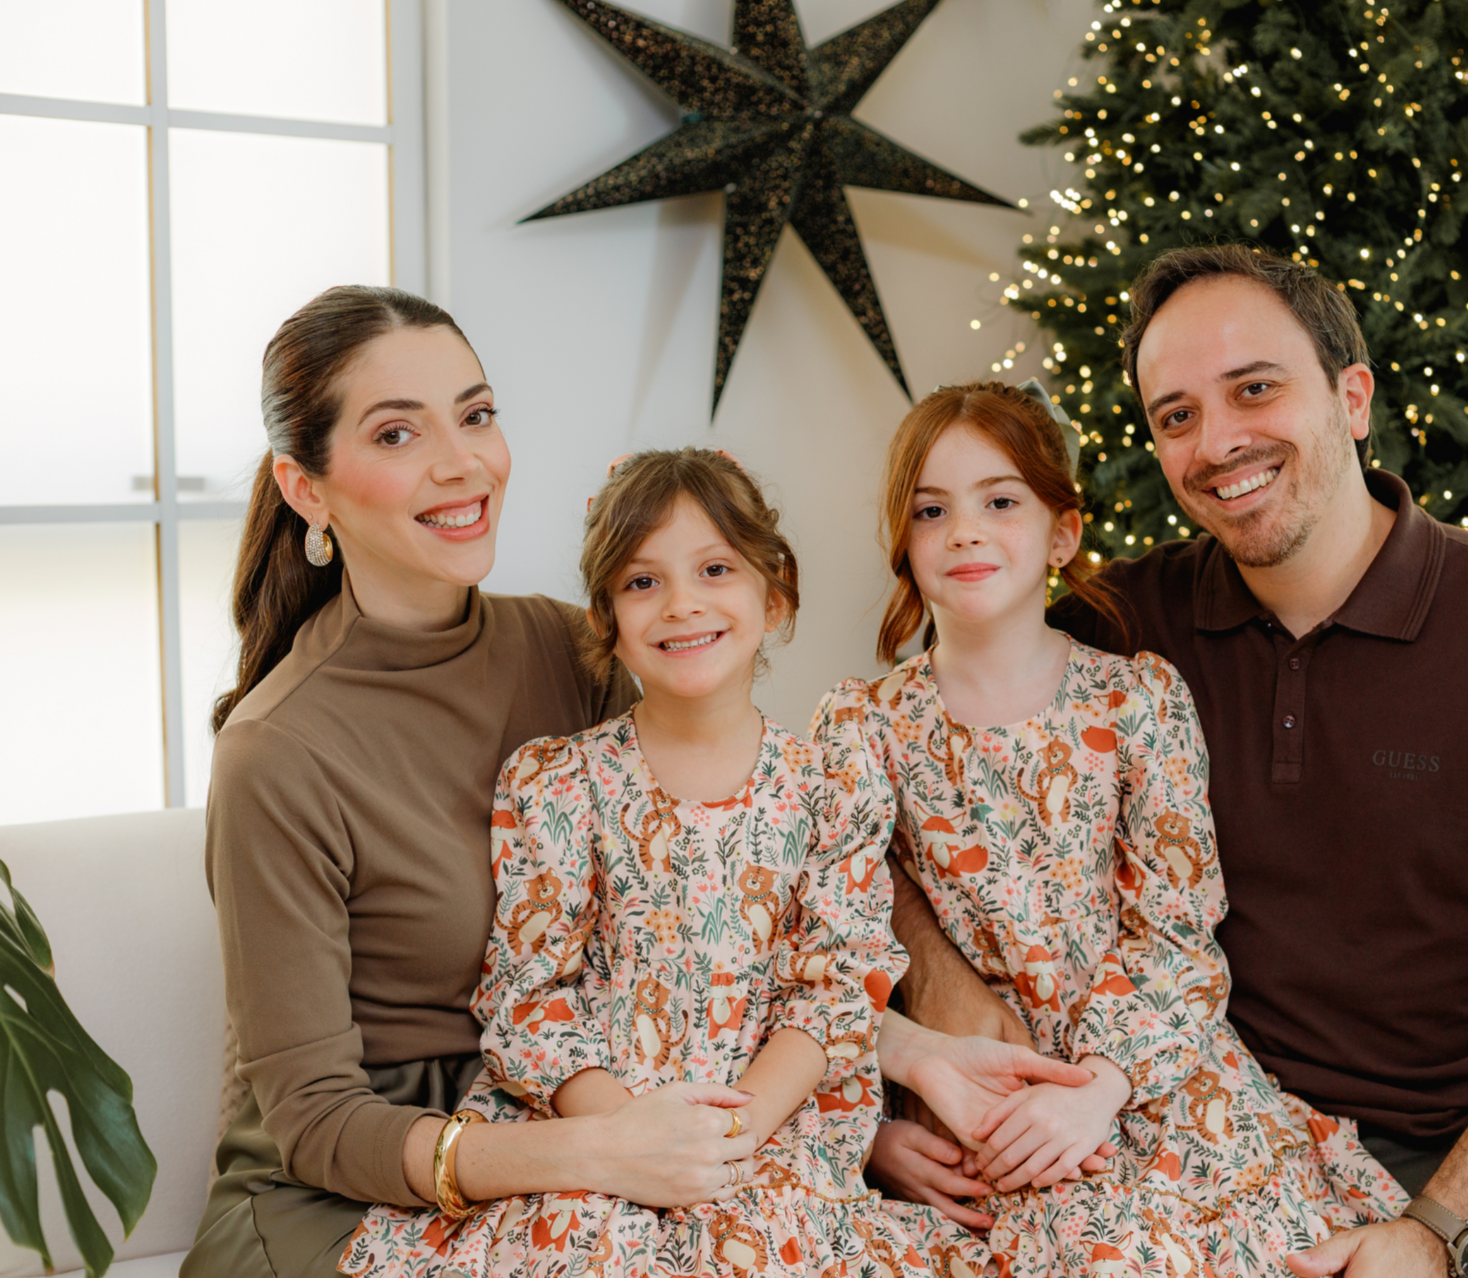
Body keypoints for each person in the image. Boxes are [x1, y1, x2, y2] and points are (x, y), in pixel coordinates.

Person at [887, 249, 1468, 1277]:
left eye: (1255, 389)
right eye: (1177, 414)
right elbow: (883, 798)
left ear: (1352, 398)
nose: (1217, 442)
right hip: (1183, 1107)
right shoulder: (1116, 630)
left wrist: (1438, 1226)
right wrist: (943, 990)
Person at [341, 449, 1042, 1276]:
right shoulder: (557, 783)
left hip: (768, 1139)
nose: (682, 604)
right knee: (591, 1249)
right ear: (605, 618)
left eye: (715, 569)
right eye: (643, 582)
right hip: (595, 1133)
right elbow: (529, 997)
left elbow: (836, 988)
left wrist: (730, 1135)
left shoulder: (830, 786)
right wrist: (626, 1137)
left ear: (774, 595)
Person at [830, 381, 1407, 1277]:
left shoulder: (1137, 700)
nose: (966, 532)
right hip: (976, 1105)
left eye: (1000, 502)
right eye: (932, 511)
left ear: (1063, 533)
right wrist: (873, 1127)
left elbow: (1177, 930)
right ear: (902, 541)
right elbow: (827, 945)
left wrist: (1101, 1086)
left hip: (1149, 1075)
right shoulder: (860, 727)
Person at [188, 286, 676, 1278]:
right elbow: (317, 1121)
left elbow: (712, 897)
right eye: (398, 433)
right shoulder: (275, 751)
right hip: (346, 1196)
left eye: (476, 414)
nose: (463, 463)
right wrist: (589, 1152)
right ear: (306, 489)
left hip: (573, 1129)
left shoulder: (571, 651)